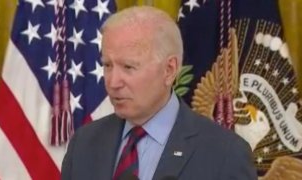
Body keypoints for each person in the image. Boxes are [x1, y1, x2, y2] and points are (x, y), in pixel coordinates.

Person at [61, 6, 257, 180]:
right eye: (107, 65)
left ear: (169, 70)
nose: (113, 82)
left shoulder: (224, 153)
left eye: (128, 67)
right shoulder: (84, 143)